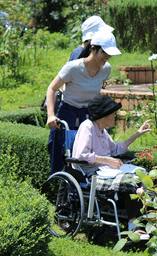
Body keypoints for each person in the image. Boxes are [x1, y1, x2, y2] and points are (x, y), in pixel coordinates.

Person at [72, 94, 152, 237]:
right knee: (130, 182)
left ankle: (143, 224)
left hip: (107, 171)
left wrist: (137, 134)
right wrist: (107, 160)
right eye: (113, 113)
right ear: (103, 116)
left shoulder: (103, 131)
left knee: (142, 176)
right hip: (93, 174)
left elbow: (115, 149)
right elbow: (80, 155)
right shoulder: (88, 127)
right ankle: (135, 229)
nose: (115, 116)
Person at [46, 30, 121, 175]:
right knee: (60, 149)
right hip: (68, 110)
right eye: (104, 53)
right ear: (93, 48)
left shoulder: (106, 69)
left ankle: (89, 182)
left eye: (110, 54)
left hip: (89, 113)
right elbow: (52, 88)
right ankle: (57, 181)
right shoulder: (74, 67)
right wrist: (50, 115)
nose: (108, 57)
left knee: (94, 150)